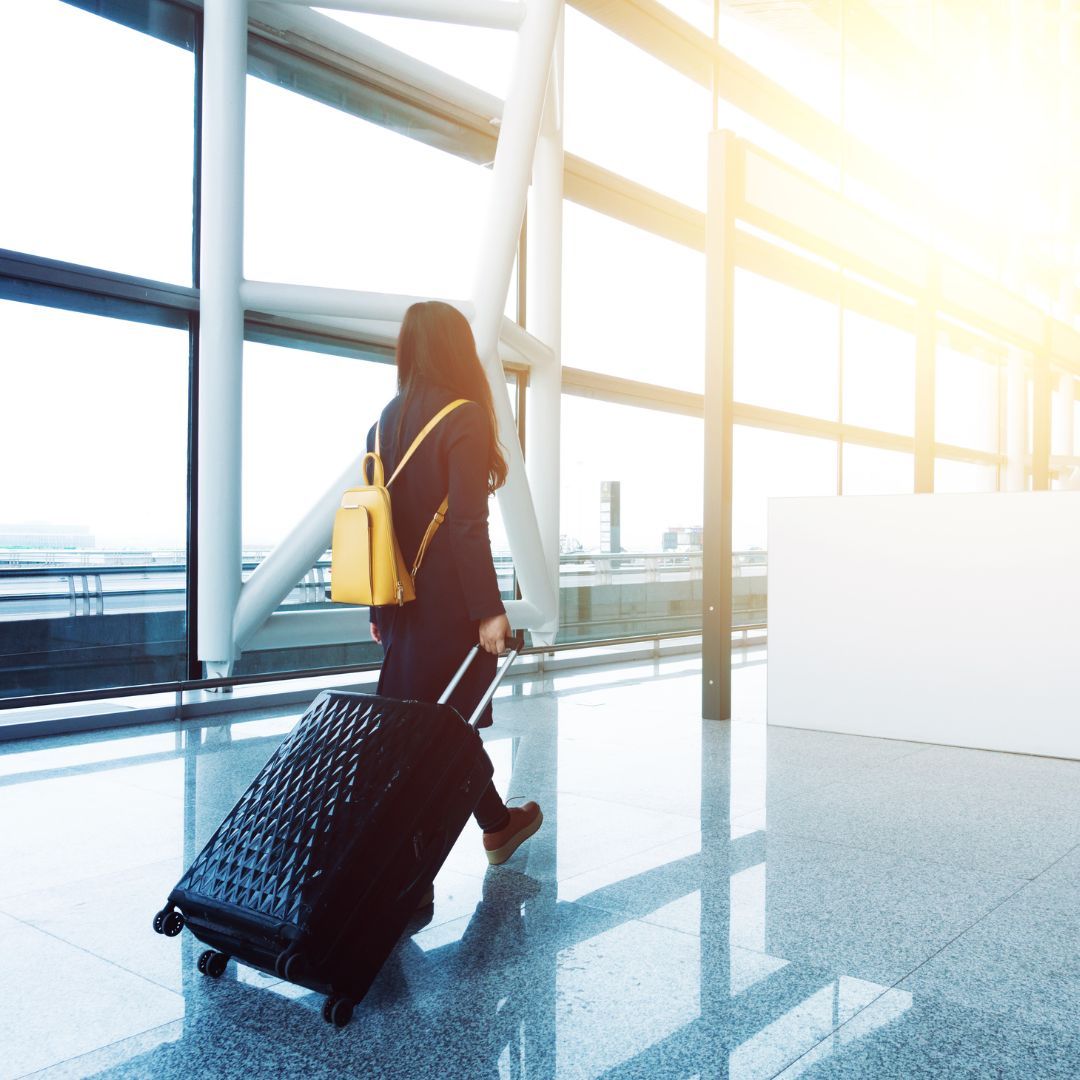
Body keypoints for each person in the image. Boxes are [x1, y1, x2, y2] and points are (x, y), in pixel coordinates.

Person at [367, 300, 542, 877]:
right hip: (445, 608)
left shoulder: (382, 424)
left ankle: (494, 828)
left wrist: (378, 607)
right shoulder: (463, 416)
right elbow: (468, 524)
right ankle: (420, 865)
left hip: (398, 605)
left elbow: (378, 528)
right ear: (454, 348)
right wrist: (489, 612)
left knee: (430, 730)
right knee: (442, 732)